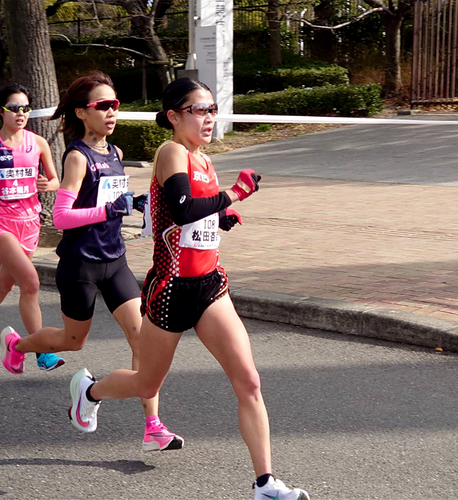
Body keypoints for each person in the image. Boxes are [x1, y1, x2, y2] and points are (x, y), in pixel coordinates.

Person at [67, 78, 310, 500]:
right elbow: (180, 209)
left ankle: (265, 483)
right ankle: (89, 391)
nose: (209, 118)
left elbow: (199, 213)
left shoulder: (203, 158)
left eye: (213, 110)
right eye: (200, 110)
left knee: (249, 381)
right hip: (172, 289)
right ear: (175, 116)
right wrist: (234, 194)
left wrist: (223, 215)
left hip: (210, 286)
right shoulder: (172, 151)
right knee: (146, 384)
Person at [0, 71, 183, 453]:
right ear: (83, 113)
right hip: (80, 265)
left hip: (114, 261)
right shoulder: (77, 156)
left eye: (115, 104)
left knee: (142, 340)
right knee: (73, 340)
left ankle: (153, 427)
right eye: (103, 105)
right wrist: (107, 209)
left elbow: (110, 204)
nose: (112, 112)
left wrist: (132, 205)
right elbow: (63, 217)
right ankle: (18, 345)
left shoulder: (115, 154)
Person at [0, 83, 64, 372]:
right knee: (31, 283)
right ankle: (40, 350)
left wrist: (50, 184)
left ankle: (13, 349)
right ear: (0, 111)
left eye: (25, 108)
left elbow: (55, 180)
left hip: (30, 223)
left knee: (5, 284)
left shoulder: (38, 143)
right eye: (14, 108)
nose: (20, 113)